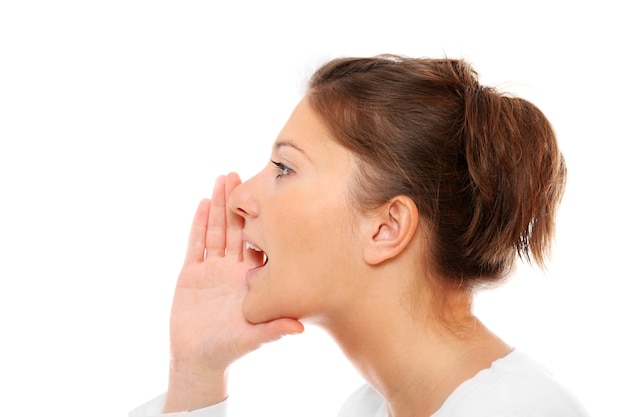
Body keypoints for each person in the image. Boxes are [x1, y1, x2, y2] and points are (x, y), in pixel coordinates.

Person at [130, 55, 590, 417]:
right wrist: (193, 373)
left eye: (285, 168)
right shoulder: (365, 409)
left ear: (386, 227)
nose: (240, 199)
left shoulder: (518, 413)